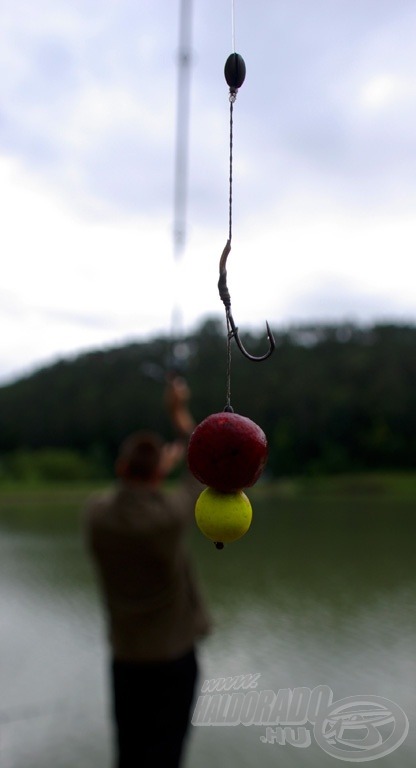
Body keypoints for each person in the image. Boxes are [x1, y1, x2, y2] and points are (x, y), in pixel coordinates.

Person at [84, 377, 211, 768]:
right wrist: (178, 414)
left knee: (129, 751)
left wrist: (151, 471)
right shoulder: (169, 518)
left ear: (121, 467)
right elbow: (201, 464)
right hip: (174, 658)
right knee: (168, 752)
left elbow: (123, 493)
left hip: (126, 659)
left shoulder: (96, 515)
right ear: (159, 471)